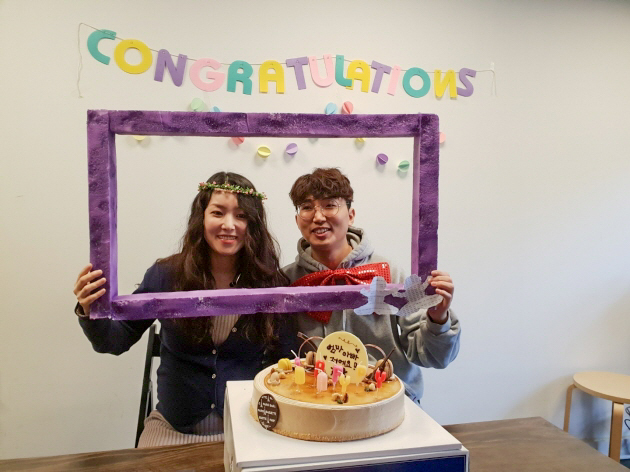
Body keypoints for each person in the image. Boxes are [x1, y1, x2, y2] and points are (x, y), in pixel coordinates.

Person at [73, 172, 296, 447]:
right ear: (201, 218)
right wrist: (90, 309)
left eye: (241, 216)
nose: (229, 225)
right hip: (171, 428)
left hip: (246, 427)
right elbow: (114, 341)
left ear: (253, 225)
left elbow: (285, 363)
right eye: (218, 213)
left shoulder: (270, 284)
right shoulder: (166, 275)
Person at [283, 167, 460, 405]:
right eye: (307, 207)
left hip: (390, 402)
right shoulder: (286, 281)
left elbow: (434, 357)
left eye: (329, 205)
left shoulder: (389, 273)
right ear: (297, 220)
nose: (318, 217)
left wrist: (438, 319)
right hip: (314, 404)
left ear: (351, 215)